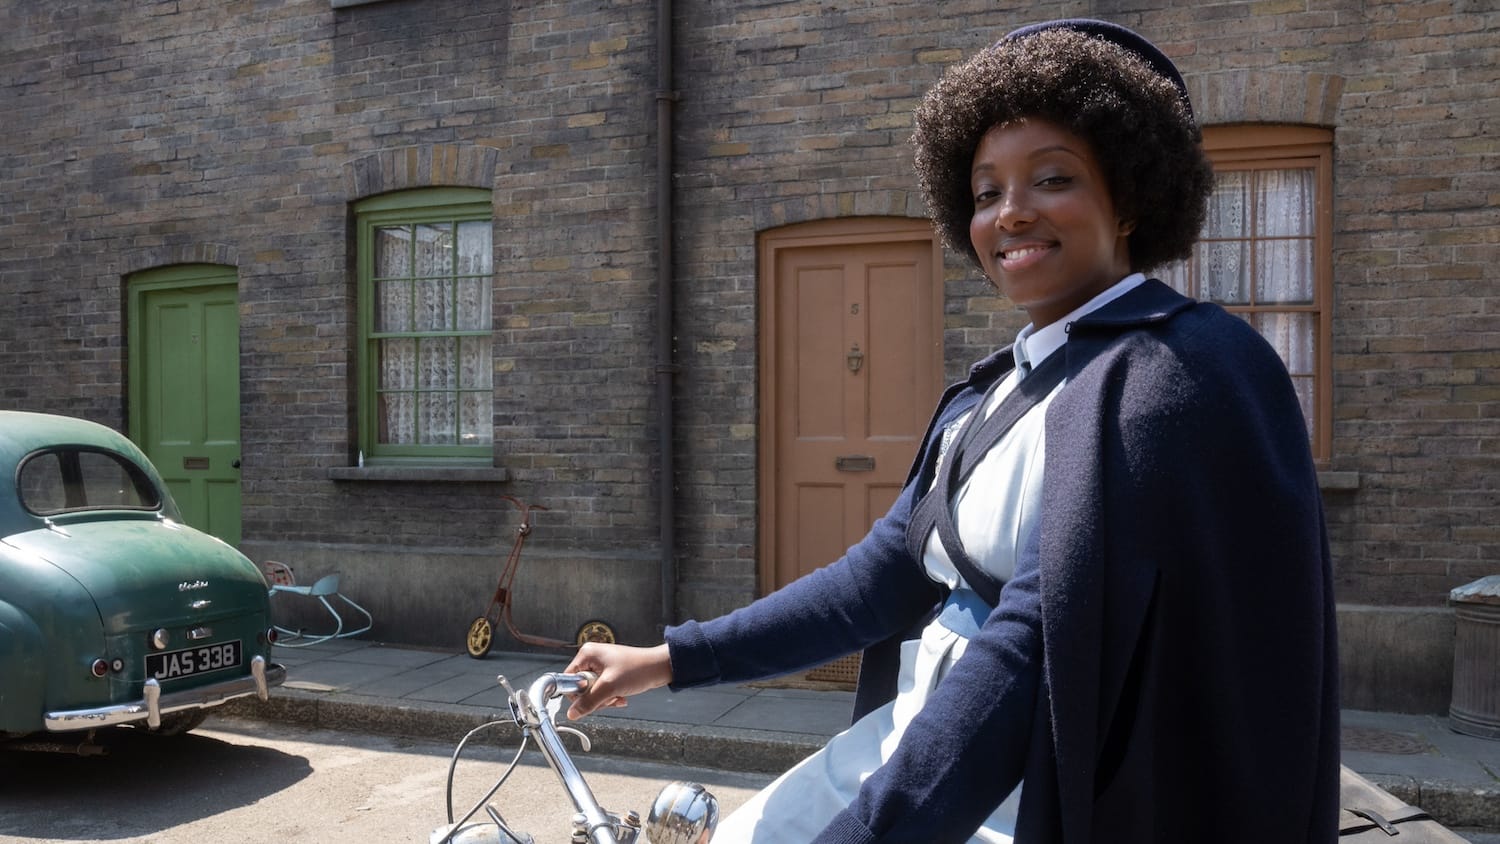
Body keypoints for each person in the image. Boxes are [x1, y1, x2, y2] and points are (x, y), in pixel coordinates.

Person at [566, 18, 1340, 843]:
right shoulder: (995, 392)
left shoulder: (1180, 374)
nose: (1011, 213)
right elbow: (876, 582)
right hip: (918, 753)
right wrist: (670, 660)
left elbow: (1030, 656)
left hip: (1035, 798)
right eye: (984, 191)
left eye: (1053, 178)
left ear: (1134, 197)